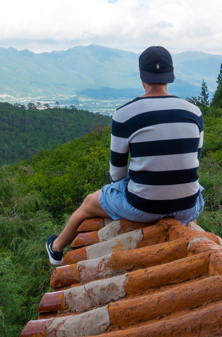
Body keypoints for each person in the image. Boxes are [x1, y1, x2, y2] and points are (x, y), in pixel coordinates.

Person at [45, 46, 204, 266]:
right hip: (189, 206)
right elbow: (194, 160)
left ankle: (56, 249)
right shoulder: (194, 112)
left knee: (88, 203)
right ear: (171, 75)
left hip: (144, 207)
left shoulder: (124, 114)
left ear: (140, 74)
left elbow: (117, 173)